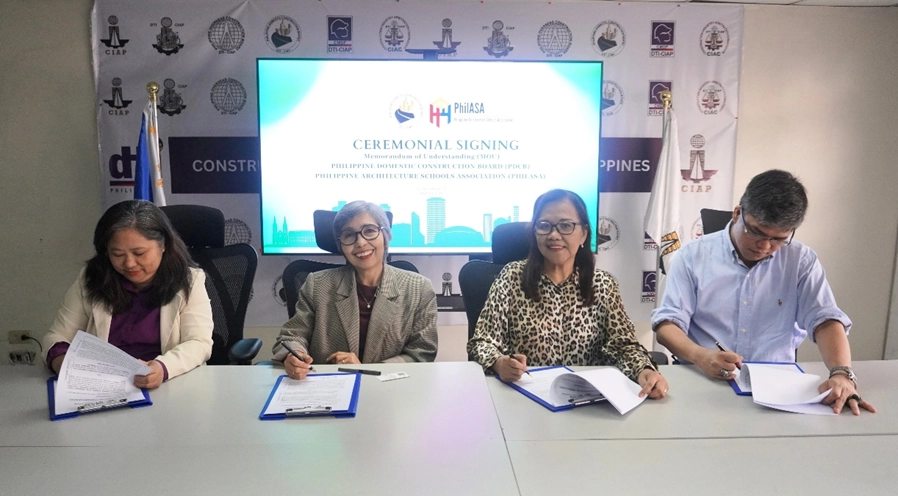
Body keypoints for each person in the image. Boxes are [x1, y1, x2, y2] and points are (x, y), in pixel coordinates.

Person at [653, 169, 874, 415]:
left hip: (778, 388)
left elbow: (825, 319)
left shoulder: (801, 260)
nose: (765, 246)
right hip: (704, 379)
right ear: (738, 214)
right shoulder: (692, 256)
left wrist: (842, 373)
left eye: (779, 238)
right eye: (756, 232)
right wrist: (700, 355)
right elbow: (667, 325)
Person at [467, 189, 668, 399]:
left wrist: (644, 370)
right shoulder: (512, 277)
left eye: (565, 225)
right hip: (527, 399)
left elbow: (623, 346)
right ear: (535, 233)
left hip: (587, 402)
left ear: (583, 233)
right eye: (544, 226)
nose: (554, 235)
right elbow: (481, 342)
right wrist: (499, 364)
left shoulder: (602, 285)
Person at [42, 200, 213, 389]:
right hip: (104, 389)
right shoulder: (91, 279)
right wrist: (64, 364)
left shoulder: (189, 280)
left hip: (170, 386)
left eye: (139, 253)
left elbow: (199, 342)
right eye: (117, 254)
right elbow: (57, 336)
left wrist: (162, 368)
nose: (129, 263)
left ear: (163, 245)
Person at [273, 201, 438, 379]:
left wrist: (366, 369)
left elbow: (422, 353)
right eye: (348, 235)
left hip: (388, 388)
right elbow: (292, 335)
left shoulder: (419, 288)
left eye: (369, 231)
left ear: (385, 235)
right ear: (341, 245)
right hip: (328, 387)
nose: (360, 242)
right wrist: (294, 355)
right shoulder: (318, 285)